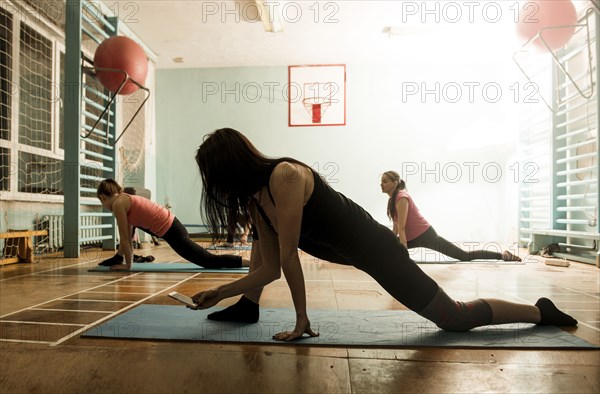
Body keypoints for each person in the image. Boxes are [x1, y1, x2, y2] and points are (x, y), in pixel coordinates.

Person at [188, 128, 577, 342]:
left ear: (230, 168)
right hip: (352, 253)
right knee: (451, 317)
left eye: (215, 177)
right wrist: (218, 292)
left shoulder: (285, 176)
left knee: (452, 318)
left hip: (378, 249)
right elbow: (269, 269)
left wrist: (301, 319)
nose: (216, 188)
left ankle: (541, 311)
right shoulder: (258, 201)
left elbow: (289, 257)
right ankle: (245, 307)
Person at [96, 179, 248, 271]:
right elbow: (127, 236)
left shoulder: (118, 204)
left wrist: (128, 265)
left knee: (208, 261)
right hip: (173, 226)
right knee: (207, 260)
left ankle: (249, 263)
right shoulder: (124, 199)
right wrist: (122, 259)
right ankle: (117, 257)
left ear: (102, 197)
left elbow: (124, 238)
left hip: (173, 231)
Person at [380, 170, 521, 262]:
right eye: (381, 181)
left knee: (464, 256)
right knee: (388, 244)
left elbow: (403, 227)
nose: (381, 184)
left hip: (426, 235)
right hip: (413, 237)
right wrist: (391, 242)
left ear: (395, 183)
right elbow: (396, 228)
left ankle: (503, 255)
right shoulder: (392, 200)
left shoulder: (401, 197)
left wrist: (404, 253)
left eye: (385, 181)